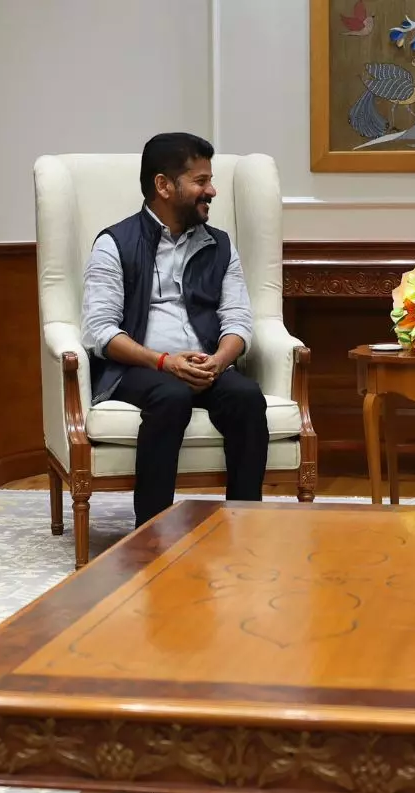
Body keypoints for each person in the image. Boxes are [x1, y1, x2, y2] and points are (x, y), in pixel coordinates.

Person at [80, 132, 268, 526]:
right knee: (171, 396)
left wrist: (218, 361)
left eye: (210, 180)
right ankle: (151, 532)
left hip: (206, 364)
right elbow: (100, 331)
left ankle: (245, 524)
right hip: (139, 369)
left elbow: (237, 320)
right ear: (164, 186)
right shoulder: (114, 243)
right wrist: (164, 362)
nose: (211, 190)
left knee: (247, 397)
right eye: (201, 181)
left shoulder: (220, 245)